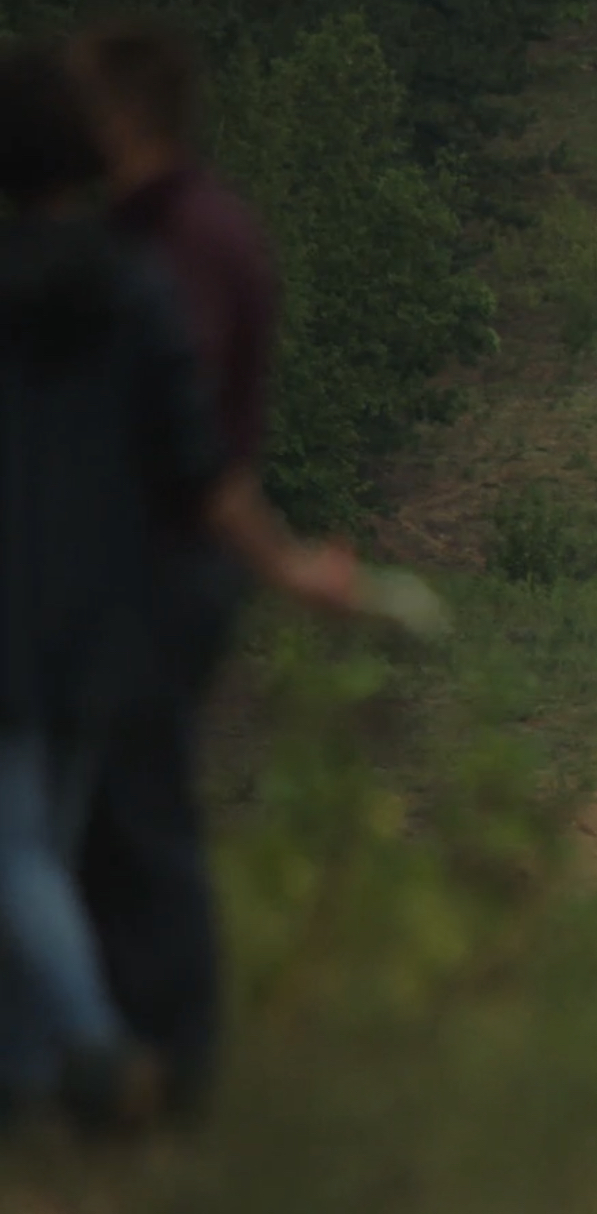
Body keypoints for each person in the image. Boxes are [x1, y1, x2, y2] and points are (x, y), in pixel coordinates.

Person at [66, 22, 358, 1123]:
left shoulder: (180, 242)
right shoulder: (182, 228)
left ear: (125, 114)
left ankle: (172, 1072)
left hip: (165, 566)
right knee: (117, 812)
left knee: (137, 815)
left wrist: (281, 565)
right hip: (154, 563)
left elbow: (185, 446)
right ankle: (132, 1062)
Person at [0, 40, 227, 1127]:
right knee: (45, 851)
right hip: (103, 627)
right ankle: (36, 1087)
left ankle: (90, 1046)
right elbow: (193, 463)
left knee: (19, 857)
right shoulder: (135, 284)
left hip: (8, 621)